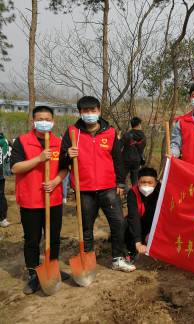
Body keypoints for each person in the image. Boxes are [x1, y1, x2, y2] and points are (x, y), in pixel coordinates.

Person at [60, 96, 135, 272]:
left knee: (118, 223)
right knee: (86, 226)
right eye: (85, 111)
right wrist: (67, 155)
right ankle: (88, 258)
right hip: (84, 189)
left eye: (93, 110)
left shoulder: (109, 132)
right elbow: (61, 163)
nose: (89, 114)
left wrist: (120, 182)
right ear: (80, 113)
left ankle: (117, 258)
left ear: (99, 111)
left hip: (108, 187)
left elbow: (118, 159)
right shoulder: (72, 132)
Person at [11, 106, 69, 294]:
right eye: (40, 118)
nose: (44, 121)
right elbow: (15, 168)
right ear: (33, 121)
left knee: (53, 238)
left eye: (47, 118)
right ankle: (34, 275)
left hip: (53, 199)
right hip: (31, 200)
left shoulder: (59, 143)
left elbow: (64, 168)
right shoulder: (22, 142)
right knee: (32, 239)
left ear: (53, 121)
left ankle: (52, 269)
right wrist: (38, 158)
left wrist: (55, 182)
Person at [124, 167, 160, 261]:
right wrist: (138, 242)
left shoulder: (162, 190)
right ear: (138, 182)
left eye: (150, 182)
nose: (146, 185)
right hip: (140, 223)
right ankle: (130, 251)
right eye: (143, 182)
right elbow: (133, 217)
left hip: (156, 224)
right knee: (124, 224)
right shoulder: (133, 192)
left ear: (156, 182)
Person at [120, 116, 146, 185]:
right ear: (139, 124)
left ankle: (122, 193)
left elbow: (119, 146)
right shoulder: (143, 136)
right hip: (137, 161)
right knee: (135, 181)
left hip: (125, 160)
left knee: (121, 179)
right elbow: (142, 148)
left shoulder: (127, 135)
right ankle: (134, 194)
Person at [0, 132, 10, 227]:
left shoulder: (3, 142)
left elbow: (6, 156)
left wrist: (6, 171)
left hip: (0, 172)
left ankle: (2, 218)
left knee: (1, 195)